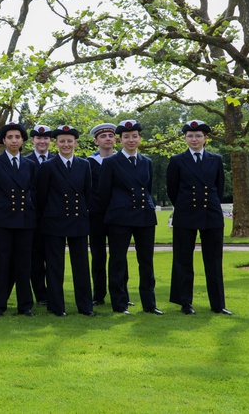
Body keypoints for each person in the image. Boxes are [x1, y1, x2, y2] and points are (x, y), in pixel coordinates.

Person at [167, 120, 232, 316]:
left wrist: (210, 204)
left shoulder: (216, 159)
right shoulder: (177, 160)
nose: (194, 139)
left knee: (213, 260)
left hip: (210, 214)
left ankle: (218, 304)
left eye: (198, 136)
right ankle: (185, 302)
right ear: (185, 138)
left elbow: (219, 188)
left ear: (206, 139)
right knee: (183, 259)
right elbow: (172, 190)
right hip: (186, 213)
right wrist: (184, 205)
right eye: (190, 136)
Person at [98, 118, 161, 315]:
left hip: (144, 216)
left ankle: (149, 304)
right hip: (120, 217)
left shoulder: (147, 162)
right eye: (126, 137)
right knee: (117, 261)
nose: (131, 140)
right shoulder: (110, 163)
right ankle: (120, 303)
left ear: (140, 138)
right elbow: (104, 193)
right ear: (120, 140)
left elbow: (148, 188)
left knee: (146, 261)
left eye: (134, 136)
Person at [34, 125, 95, 317]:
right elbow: (41, 196)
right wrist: (51, 212)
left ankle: (85, 306)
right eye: (62, 141)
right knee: (54, 265)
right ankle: (56, 306)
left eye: (70, 141)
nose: (66, 144)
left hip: (78, 220)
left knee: (81, 266)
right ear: (56, 143)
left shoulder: (84, 165)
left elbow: (87, 192)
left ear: (75, 143)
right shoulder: (47, 166)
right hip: (54, 220)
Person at [0, 123, 38, 316]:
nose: (14, 140)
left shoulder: (30, 165)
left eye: (17, 137)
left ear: (23, 140)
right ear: (3, 141)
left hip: (25, 220)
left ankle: (25, 306)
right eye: (10, 137)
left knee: (24, 264)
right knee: (1, 263)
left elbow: (33, 192)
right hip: (1, 220)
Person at [87, 122, 118, 306]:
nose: (107, 139)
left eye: (110, 136)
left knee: (118, 256)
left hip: (117, 215)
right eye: (103, 136)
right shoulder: (89, 163)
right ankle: (98, 295)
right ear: (96, 141)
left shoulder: (122, 160)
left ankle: (120, 293)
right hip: (96, 215)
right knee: (98, 256)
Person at [25, 124, 53, 306]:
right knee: (35, 259)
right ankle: (40, 294)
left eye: (45, 138)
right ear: (33, 141)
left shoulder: (59, 160)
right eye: (38, 138)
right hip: (32, 217)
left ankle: (53, 292)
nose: (42, 142)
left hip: (53, 217)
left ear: (50, 141)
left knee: (53, 257)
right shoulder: (25, 161)